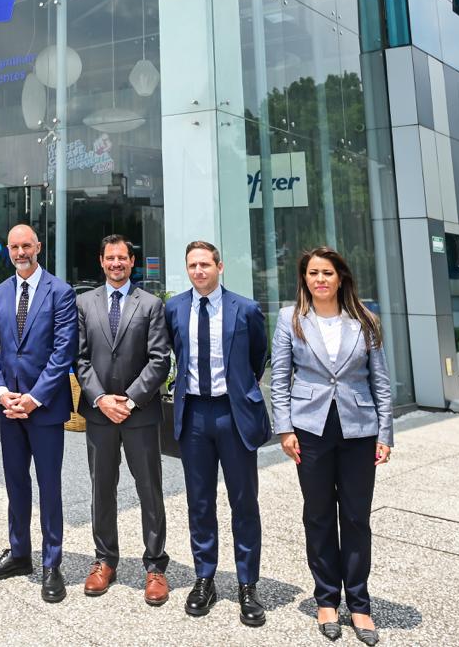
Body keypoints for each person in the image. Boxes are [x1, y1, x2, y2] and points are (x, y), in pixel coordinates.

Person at [271, 246, 394, 646]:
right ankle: (326, 599)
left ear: (340, 278)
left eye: (327, 272)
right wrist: (284, 429)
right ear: (304, 279)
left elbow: (380, 381)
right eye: (313, 273)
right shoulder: (290, 319)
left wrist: (385, 433)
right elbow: (280, 378)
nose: (320, 279)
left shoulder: (365, 320)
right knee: (319, 515)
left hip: (359, 430)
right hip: (310, 430)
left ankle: (359, 604)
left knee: (356, 518)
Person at [165, 240, 270, 627]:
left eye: (205, 264)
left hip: (233, 414)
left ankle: (247, 584)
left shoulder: (245, 308)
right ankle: (204, 578)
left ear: (219, 267)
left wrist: (240, 389)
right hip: (194, 414)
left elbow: (258, 356)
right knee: (200, 502)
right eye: (192, 265)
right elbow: (174, 350)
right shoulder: (175, 308)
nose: (199, 271)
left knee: (244, 503)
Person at [0, 224, 78, 603]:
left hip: (44, 408)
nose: (21, 252)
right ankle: (19, 553)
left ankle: (52, 563)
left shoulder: (61, 292)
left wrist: (34, 398)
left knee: (49, 486)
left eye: (26, 246)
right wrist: (1, 392)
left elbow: (64, 351)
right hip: (8, 408)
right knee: (15, 482)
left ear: (38, 247)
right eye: (15, 247)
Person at [75, 234, 172, 605]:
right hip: (99, 414)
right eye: (110, 258)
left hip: (140, 414)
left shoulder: (150, 304)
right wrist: (101, 399)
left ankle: (155, 566)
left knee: (150, 489)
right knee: (102, 488)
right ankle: (104, 560)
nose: (116, 263)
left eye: (122, 258)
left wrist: (129, 401)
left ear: (132, 262)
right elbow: (80, 358)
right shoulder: (84, 303)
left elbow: (159, 360)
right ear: (101, 261)